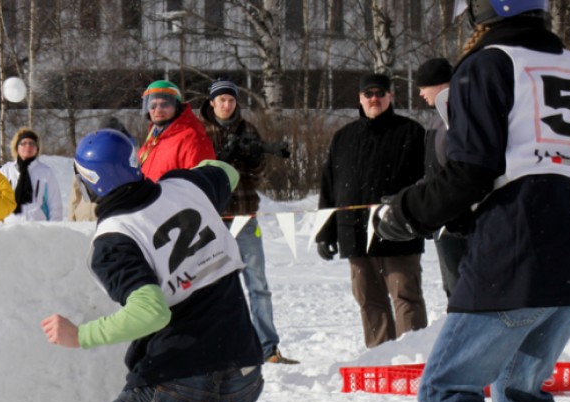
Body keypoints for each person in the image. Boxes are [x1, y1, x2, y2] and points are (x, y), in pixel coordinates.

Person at [372, 1, 570, 402]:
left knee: (444, 391)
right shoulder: (568, 66)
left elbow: (471, 171)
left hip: (519, 251)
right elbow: (535, 167)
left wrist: (404, 213)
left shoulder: (489, 62)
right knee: (517, 393)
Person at [41, 130, 263, 402]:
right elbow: (227, 172)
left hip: (178, 388)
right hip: (246, 379)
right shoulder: (187, 186)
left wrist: (80, 335)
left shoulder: (114, 238)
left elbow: (151, 312)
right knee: (217, 334)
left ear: (91, 183)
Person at [314, 72, 428, 349]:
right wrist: (324, 232)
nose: (374, 99)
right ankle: (379, 358)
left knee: (406, 296)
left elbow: (427, 182)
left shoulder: (412, 132)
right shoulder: (343, 137)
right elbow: (329, 186)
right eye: (369, 94)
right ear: (360, 98)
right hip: (353, 232)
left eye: (380, 93)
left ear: (390, 96)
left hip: (399, 230)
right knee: (369, 300)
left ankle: (413, 357)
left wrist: (423, 219)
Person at [200, 77, 298, 365]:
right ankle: (217, 349)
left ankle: (268, 348)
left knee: (258, 285)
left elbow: (257, 176)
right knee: (212, 286)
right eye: (222, 100)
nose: (227, 105)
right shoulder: (200, 132)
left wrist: (254, 158)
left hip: (245, 214)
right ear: (212, 103)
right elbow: (197, 173)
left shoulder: (248, 129)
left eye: (231, 100)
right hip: (212, 218)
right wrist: (224, 156)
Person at [415, 57, 468, 299]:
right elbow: (434, 170)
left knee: (465, 292)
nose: (420, 93)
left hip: (462, 219)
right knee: (453, 289)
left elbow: (461, 170)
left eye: (423, 87)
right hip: (444, 218)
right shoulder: (437, 117)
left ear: (440, 85)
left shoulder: (462, 112)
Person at [137, 80, 216, 181]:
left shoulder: (192, 138)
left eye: (164, 104)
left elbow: (200, 186)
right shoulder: (153, 139)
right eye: (153, 106)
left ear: (177, 107)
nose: (158, 109)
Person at [68, 116, 135, 222]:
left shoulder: (127, 159)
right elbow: (77, 189)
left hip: (110, 220)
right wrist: (72, 217)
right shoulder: (86, 157)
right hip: (83, 218)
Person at [0, 128, 64, 222]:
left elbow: (55, 205)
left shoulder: (46, 172)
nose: (28, 146)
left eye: (32, 143)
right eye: (23, 143)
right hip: (9, 228)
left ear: (37, 149)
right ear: (16, 147)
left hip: (38, 228)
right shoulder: (5, 171)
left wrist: (53, 230)